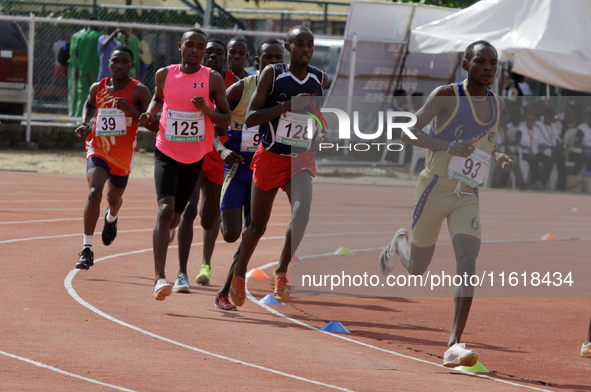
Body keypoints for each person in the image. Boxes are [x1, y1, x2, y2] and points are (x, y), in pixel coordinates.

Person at [377, 41, 516, 368]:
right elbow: (408, 133)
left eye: (493, 63)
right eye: (480, 61)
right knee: (417, 268)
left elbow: (487, 143)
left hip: (467, 193)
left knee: (468, 260)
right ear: (465, 63)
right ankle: (400, 241)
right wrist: (447, 145)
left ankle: (453, 343)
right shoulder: (447, 95)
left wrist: (499, 155)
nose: (487, 68)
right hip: (434, 188)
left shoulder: (499, 105)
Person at [229, 25, 328, 307]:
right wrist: (287, 107)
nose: (306, 49)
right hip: (270, 158)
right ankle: (238, 272)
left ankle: (282, 271)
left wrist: (320, 132)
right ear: (288, 47)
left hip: (300, 159)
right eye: (299, 44)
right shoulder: (272, 74)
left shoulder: (320, 78)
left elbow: (315, 114)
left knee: (302, 214)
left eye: (310, 44)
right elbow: (250, 118)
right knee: (257, 227)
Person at [138, 28, 231, 301]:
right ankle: (159, 278)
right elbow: (158, 97)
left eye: (199, 47)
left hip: (195, 157)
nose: (194, 50)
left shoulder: (212, 79)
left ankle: (167, 231)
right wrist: (149, 112)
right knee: (165, 210)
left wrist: (206, 110)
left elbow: (225, 119)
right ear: (180, 46)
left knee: (176, 217)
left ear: (204, 52)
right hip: (165, 150)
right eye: (189, 45)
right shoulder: (164, 74)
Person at [213, 38, 285, 310]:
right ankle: (214, 208)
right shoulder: (241, 88)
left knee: (251, 231)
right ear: (258, 61)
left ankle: (225, 290)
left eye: (278, 58)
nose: (273, 62)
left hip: (262, 169)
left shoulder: (289, 91)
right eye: (268, 58)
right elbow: (212, 123)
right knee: (231, 233)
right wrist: (220, 148)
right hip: (236, 166)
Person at [73, 45, 151, 270]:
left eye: (124, 62)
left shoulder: (140, 91)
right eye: (115, 61)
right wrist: (84, 123)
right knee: (94, 192)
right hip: (98, 148)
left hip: (123, 156)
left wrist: (131, 111)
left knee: (113, 199)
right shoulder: (98, 88)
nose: (119, 65)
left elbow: (154, 124)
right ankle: (87, 249)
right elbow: (89, 105)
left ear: (131, 65)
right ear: (109, 64)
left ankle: (112, 217)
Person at [174, 38, 239, 292]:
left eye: (217, 53)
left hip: (220, 158)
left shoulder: (233, 84)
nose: (212, 56)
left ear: (226, 58)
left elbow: (229, 121)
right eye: (208, 52)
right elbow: (198, 123)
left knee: (209, 217)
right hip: (196, 152)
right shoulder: (193, 80)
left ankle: (206, 263)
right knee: (189, 209)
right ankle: (181, 272)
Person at [515, 105, 552, 189]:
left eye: (533, 120)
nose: (531, 121)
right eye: (529, 120)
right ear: (526, 120)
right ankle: (535, 181)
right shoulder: (521, 129)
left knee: (550, 160)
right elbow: (515, 144)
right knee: (534, 160)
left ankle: (542, 182)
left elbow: (542, 143)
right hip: (524, 153)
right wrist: (527, 148)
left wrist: (546, 147)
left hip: (535, 152)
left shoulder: (537, 129)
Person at [73, 18, 101, 117]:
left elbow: (76, 53)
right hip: (96, 69)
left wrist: (78, 66)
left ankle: (78, 117)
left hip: (83, 68)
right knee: (98, 95)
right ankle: (95, 118)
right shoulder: (100, 37)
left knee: (82, 94)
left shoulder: (80, 37)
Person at [538, 107, 566, 190]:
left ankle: (561, 185)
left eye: (552, 116)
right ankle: (543, 183)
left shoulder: (554, 126)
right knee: (552, 159)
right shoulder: (539, 125)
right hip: (545, 149)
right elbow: (542, 143)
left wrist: (560, 146)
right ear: (544, 116)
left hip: (555, 149)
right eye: (549, 116)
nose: (550, 118)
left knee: (562, 158)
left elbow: (557, 140)